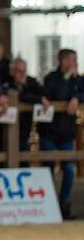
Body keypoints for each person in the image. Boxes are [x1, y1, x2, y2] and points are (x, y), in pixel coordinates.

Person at [42, 49, 82, 219]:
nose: (74, 63)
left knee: (69, 169)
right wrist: (68, 81)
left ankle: (64, 203)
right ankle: (49, 205)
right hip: (49, 132)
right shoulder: (51, 77)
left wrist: (77, 98)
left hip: (67, 133)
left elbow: (82, 92)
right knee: (48, 168)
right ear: (63, 61)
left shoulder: (78, 79)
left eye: (75, 60)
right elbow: (56, 94)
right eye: (71, 59)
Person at [0, 57, 48, 155]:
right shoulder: (5, 82)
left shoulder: (30, 81)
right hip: (4, 128)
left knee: (24, 155)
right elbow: (18, 96)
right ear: (12, 72)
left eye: (24, 71)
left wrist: (26, 86)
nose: (22, 74)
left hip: (25, 128)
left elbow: (44, 93)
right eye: (19, 71)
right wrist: (38, 99)